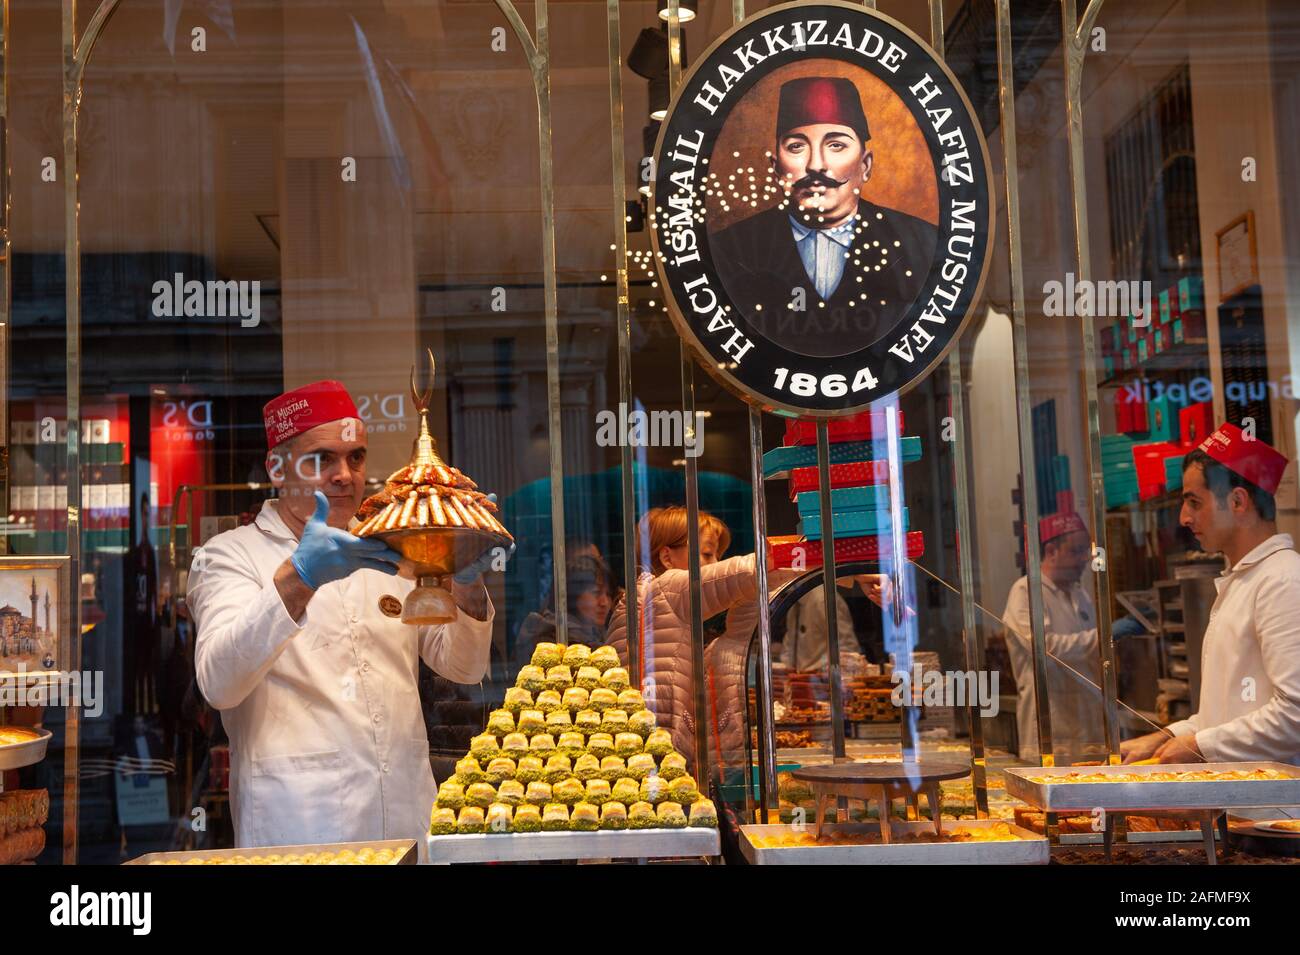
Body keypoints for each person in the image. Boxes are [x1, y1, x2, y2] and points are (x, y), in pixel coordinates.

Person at [188, 380, 509, 849]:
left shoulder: (392, 547)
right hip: (298, 829)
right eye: (321, 460)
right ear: (277, 468)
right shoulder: (230, 556)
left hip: (406, 819)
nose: (344, 475)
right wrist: (300, 577)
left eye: (355, 457)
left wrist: (465, 583)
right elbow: (219, 683)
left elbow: (463, 666)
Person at [708, 76, 937, 354]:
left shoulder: (921, 244)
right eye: (796, 146)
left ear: (865, 165)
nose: (816, 164)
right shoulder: (729, 249)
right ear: (776, 168)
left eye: (836, 145)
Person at [1123, 423, 1299, 765]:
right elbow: (1224, 715)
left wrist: (1200, 746)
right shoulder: (1242, 581)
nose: (1184, 517)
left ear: (1237, 501)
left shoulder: (1283, 580)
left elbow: (1295, 714)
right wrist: (1166, 737)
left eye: (1194, 502)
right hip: (1237, 807)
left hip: (1274, 814)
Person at [1001, 511, 1145, 764]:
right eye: (1075, 551)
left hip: (1089, 727)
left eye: (1085, 551)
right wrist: (1104, 636)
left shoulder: (1081, 595)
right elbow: (1045, 648)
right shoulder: (1025, 591)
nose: (1084, 559)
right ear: (1051, 551)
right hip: (1051, 729)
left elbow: (1092, 652)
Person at [515, 553, 615, 669]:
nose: (604, 602)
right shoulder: (552, 641)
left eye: (609, 594)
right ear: (573, 594)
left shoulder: (596, 636)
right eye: (596, 592)